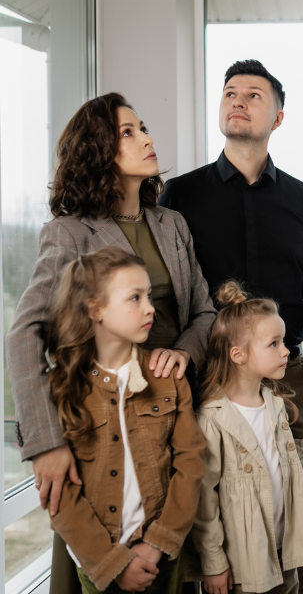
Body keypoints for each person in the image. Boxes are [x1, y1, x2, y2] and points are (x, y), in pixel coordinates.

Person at [5, 92, 216, 593]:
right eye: (128, 131)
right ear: (97, 149)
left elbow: (206, 312)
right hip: (101, 421)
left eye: (143, 127)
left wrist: (183, 350)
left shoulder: (172, 224)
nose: (146, 137)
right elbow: (24, 332)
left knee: (174, 556)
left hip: (173, 404)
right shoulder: (70, 233)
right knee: (102, 563)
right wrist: (46, 444)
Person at [160, 59, 303, 592]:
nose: (238, 101)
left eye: (253, 95)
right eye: (229, 93)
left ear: (279, 116)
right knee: (209, 515)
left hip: (289, 375)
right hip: (206, 378)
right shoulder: (178, 197)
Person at [46, 247, 205, 593]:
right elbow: (61, 495)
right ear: (95, 309)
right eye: (135, 297)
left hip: (162, 557)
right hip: (97, 564)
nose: (150, 307)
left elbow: (191, 462)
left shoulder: (169, 377)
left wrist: (158, 543)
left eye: (149, 295)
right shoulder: (63, 387)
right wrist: (111, 564)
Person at [189, 282, 303, 594]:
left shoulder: (274, 404)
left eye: (283, 341)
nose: (287, 350)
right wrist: (213, 563)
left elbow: (285, 463)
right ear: (238, 354)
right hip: (242, 564)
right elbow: (204, 500)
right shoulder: (212, 418)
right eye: (274, 343)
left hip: (282, 553)